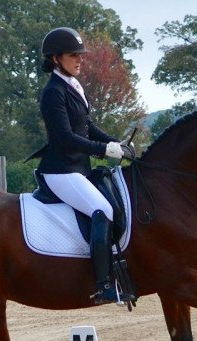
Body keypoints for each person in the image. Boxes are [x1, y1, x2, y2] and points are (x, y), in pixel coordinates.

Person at [34, 26, 133, 305]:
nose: (79, 60)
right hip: (60, 170)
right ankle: (103, 285)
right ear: (56, 59)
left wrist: (118, 144)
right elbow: (66, 138)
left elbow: (87, 126)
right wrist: (104, 150)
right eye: (72, 55)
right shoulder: (53, 92)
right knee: (102, 211)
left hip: (78, 168)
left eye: (80, 55)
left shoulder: (72, 85)